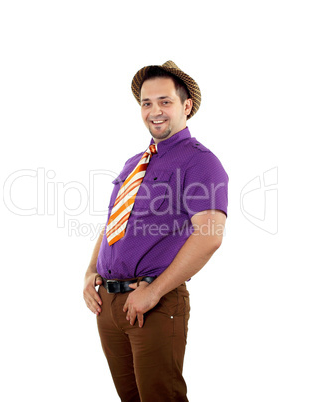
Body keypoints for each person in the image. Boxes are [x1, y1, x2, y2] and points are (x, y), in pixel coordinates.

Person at [83, 61, 229, 402]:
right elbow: (112, 225)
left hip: (155, 302)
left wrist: (154, 291)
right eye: (147, 103)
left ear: (186, 106)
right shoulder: (133, 163)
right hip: (109, 304)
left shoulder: (199, 162)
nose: (155, 111)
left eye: (165, 101)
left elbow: (209, 235)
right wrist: (91, 271)